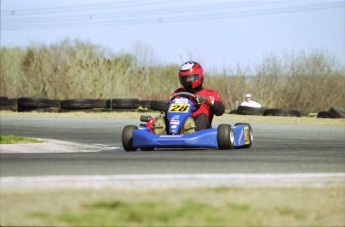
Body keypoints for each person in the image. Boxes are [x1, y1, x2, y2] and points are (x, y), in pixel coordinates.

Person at [170, 61, 225, 130]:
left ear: (198, 76)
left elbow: (220, 110)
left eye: (189, 78)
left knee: (202, 117)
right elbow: (168, 106)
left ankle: (192, 134)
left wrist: (207, 100)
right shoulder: (178, 93)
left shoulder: (209, 93)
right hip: (178, 125)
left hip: (202, 129)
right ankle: (162, 133)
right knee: (164, 117)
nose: (187, 81)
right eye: (184, 78)